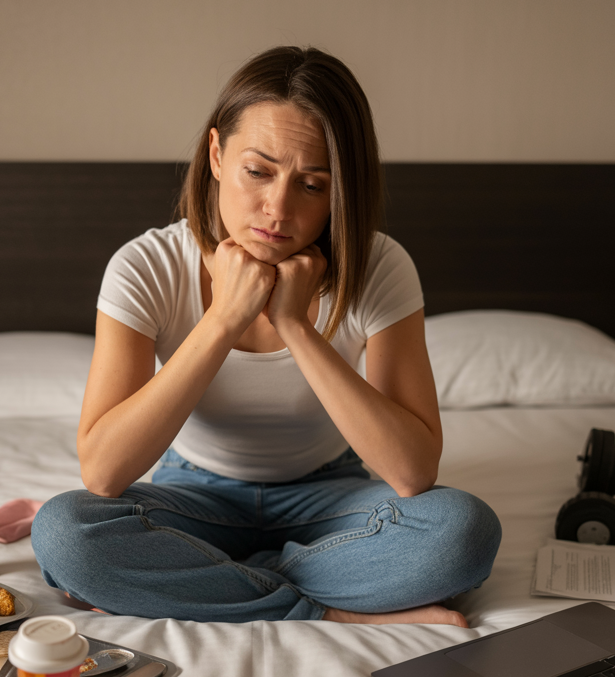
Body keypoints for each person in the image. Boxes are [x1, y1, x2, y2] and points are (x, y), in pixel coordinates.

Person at [32, 46, 500, 626]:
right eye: (258, 171)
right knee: (64, 532)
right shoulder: (145, 265)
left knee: (464, 532)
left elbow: (411, 473)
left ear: (340, 191)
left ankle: (211, 583)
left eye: (312, 184)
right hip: (192, 494)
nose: (277, 209)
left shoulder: (381, 266)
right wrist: (224, 319)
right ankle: (328, 610)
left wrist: (295, 325)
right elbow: (102, 472)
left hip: (329, 497)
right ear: (217, 155)